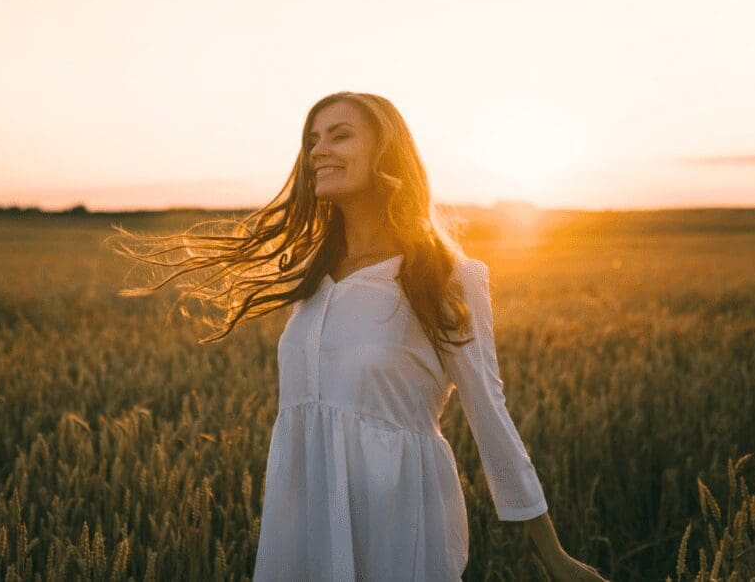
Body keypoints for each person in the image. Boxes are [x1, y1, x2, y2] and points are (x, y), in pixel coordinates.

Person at [109, 91, 607, 581]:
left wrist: (554, 556)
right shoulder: (311, 275)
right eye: (312, 139)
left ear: (386, 153)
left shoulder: (446, 277)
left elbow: (488, 411)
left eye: (340, 136)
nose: (318, 150)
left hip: (400, 519)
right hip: (302, 519)